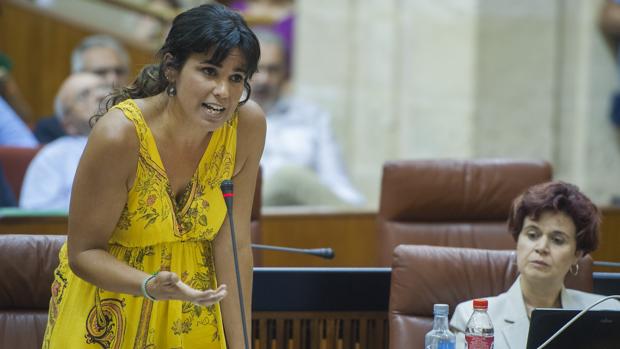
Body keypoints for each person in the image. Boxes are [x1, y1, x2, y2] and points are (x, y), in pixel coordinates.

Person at [42, 4, 264, 348]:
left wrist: (242, 345)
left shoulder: (247, 126)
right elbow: (83, 253)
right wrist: (148, 284)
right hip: (108, 315)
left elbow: (233, 245)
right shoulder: (119, 134)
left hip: (193, 318)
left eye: (236, 77)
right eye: (209, 71)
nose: (224, 90)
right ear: (172, 68)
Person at [450, 181, 620, 349]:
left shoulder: (608, 312)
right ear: (518, 241)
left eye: (557, 240)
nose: (541, 247)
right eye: (532, 235)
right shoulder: (473, 318)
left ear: (577, 254)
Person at [251, 28, 364, 206]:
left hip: (300, 217)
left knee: (289, 179)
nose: (264, 79)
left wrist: (356, 208)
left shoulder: (313, 117)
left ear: (286, 74)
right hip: (244, 212)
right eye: (257, 69)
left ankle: (359, 225)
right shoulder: (227, 116)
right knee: (287, 178)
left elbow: (335, 180)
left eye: (273, 70)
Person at [19, 73, 109, 210]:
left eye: (104, 88)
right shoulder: (53, 157)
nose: (100, 96)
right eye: (84, 95)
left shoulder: (143, 138)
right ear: (68, 124)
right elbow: (35, 218)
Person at [34, 35, 131, 143]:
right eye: (100, 72)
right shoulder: (51, 130)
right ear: (77, 76)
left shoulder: (141, 121)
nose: (113, 80)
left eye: (119, 71)